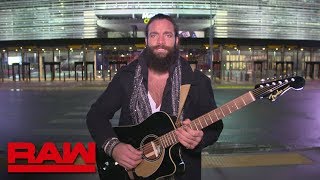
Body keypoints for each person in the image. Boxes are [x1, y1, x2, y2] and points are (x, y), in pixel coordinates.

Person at [86, 13, 223, 180]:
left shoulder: (197, 81)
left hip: (181, 173)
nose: (160, 42)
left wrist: (199, 138)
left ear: (176, 40)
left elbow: (215, 126)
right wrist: (114, 147)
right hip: (131, 173)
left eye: (167, 35)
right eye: (154, 35)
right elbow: (96, 115)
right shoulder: (126, 76)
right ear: (146, 41)